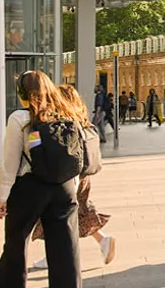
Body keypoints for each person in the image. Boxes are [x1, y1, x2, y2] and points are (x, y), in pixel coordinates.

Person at [0, 70, 85, 288]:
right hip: (64, 188)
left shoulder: (21, 118)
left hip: (30, 186)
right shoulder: (66, 113)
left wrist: (1, 195)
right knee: (65, 247)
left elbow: (11, 161)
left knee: (16, 242)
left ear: (22, 93)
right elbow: (76, 156)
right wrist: (71, 186)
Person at [32, 87, 117, 269]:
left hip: (68, 174)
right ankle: (103, 240)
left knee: (56, 213)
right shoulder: (81, 119)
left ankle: (55, 254)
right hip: (82, 173)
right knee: (78, 211)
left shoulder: (63, 121)